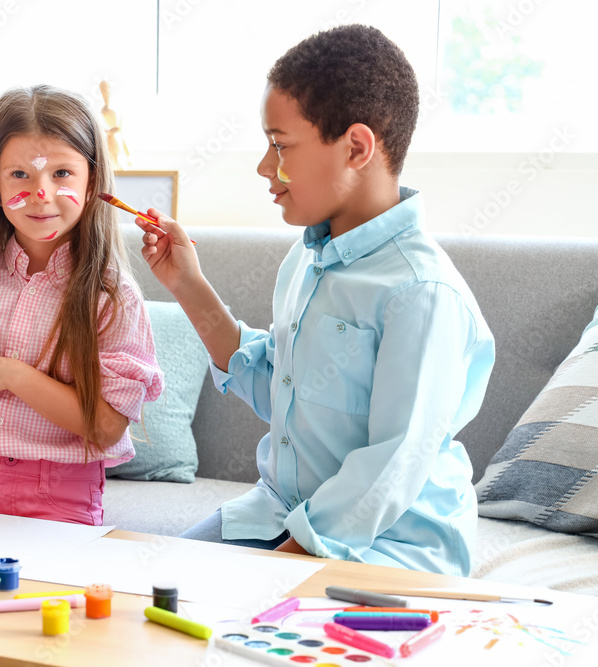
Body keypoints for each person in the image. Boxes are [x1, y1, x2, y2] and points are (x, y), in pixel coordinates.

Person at [135, 25, 494, 576]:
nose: (264, 167)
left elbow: (392, 465)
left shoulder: (422, 294)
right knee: (149, 591)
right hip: (277, 512)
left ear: (356, 147)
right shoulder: (306, 260)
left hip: (389, 548)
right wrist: (187, 284)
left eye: (279, 145)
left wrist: (280, 571)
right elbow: (280, 391)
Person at [0, 85, 164, 528]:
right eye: (20, 175)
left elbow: (105, 428)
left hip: (62, 503)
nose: (41, 193)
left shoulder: (113, 296)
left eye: (61, 173)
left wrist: (10, 374)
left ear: (93, 183)